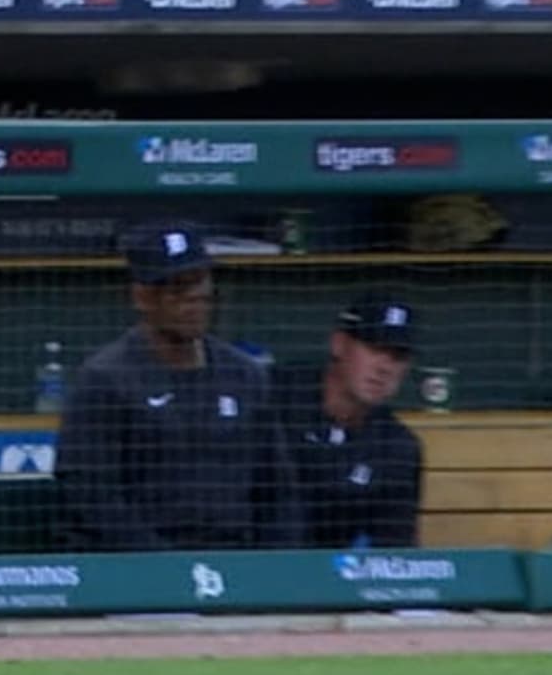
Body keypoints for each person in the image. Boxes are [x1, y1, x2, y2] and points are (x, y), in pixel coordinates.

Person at [55, 220, 290, 553]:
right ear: (142, 297)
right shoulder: (105, 379)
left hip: (235, 567)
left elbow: (276, 488)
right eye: (177, 287)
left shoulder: (245, 375)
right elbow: (91, 496)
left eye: (199, 282)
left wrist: (273, 571)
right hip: (138, 571)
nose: (194, 298)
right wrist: (169, 570)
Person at [278, 293, 424, 552]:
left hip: (334, 582)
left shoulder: (398, 448)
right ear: (339, 344)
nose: (385, 367)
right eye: (375, 348)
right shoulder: (275, 401)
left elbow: (393, 549)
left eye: (397, 357)